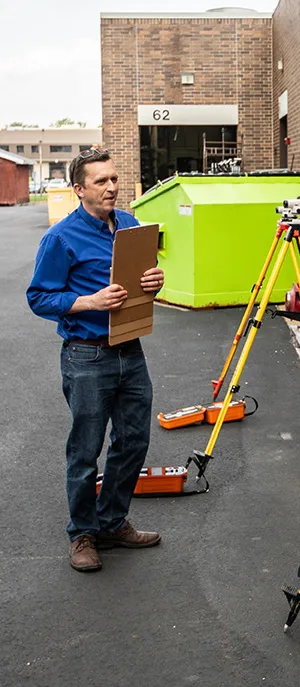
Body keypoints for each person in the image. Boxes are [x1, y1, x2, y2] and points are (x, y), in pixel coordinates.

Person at [26, 149, 164, 572]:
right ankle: (82, 533)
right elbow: (39, 297)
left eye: (114, 179)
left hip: (130, 350)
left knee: (134, 442)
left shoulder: (130, 225)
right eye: (100, 181)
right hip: (86, 356)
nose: (111, 187)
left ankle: (111, 522)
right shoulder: (61, 238)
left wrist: (155, 282)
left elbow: (146, 279)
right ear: (79, 189)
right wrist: (89, 301)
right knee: (86, 451)